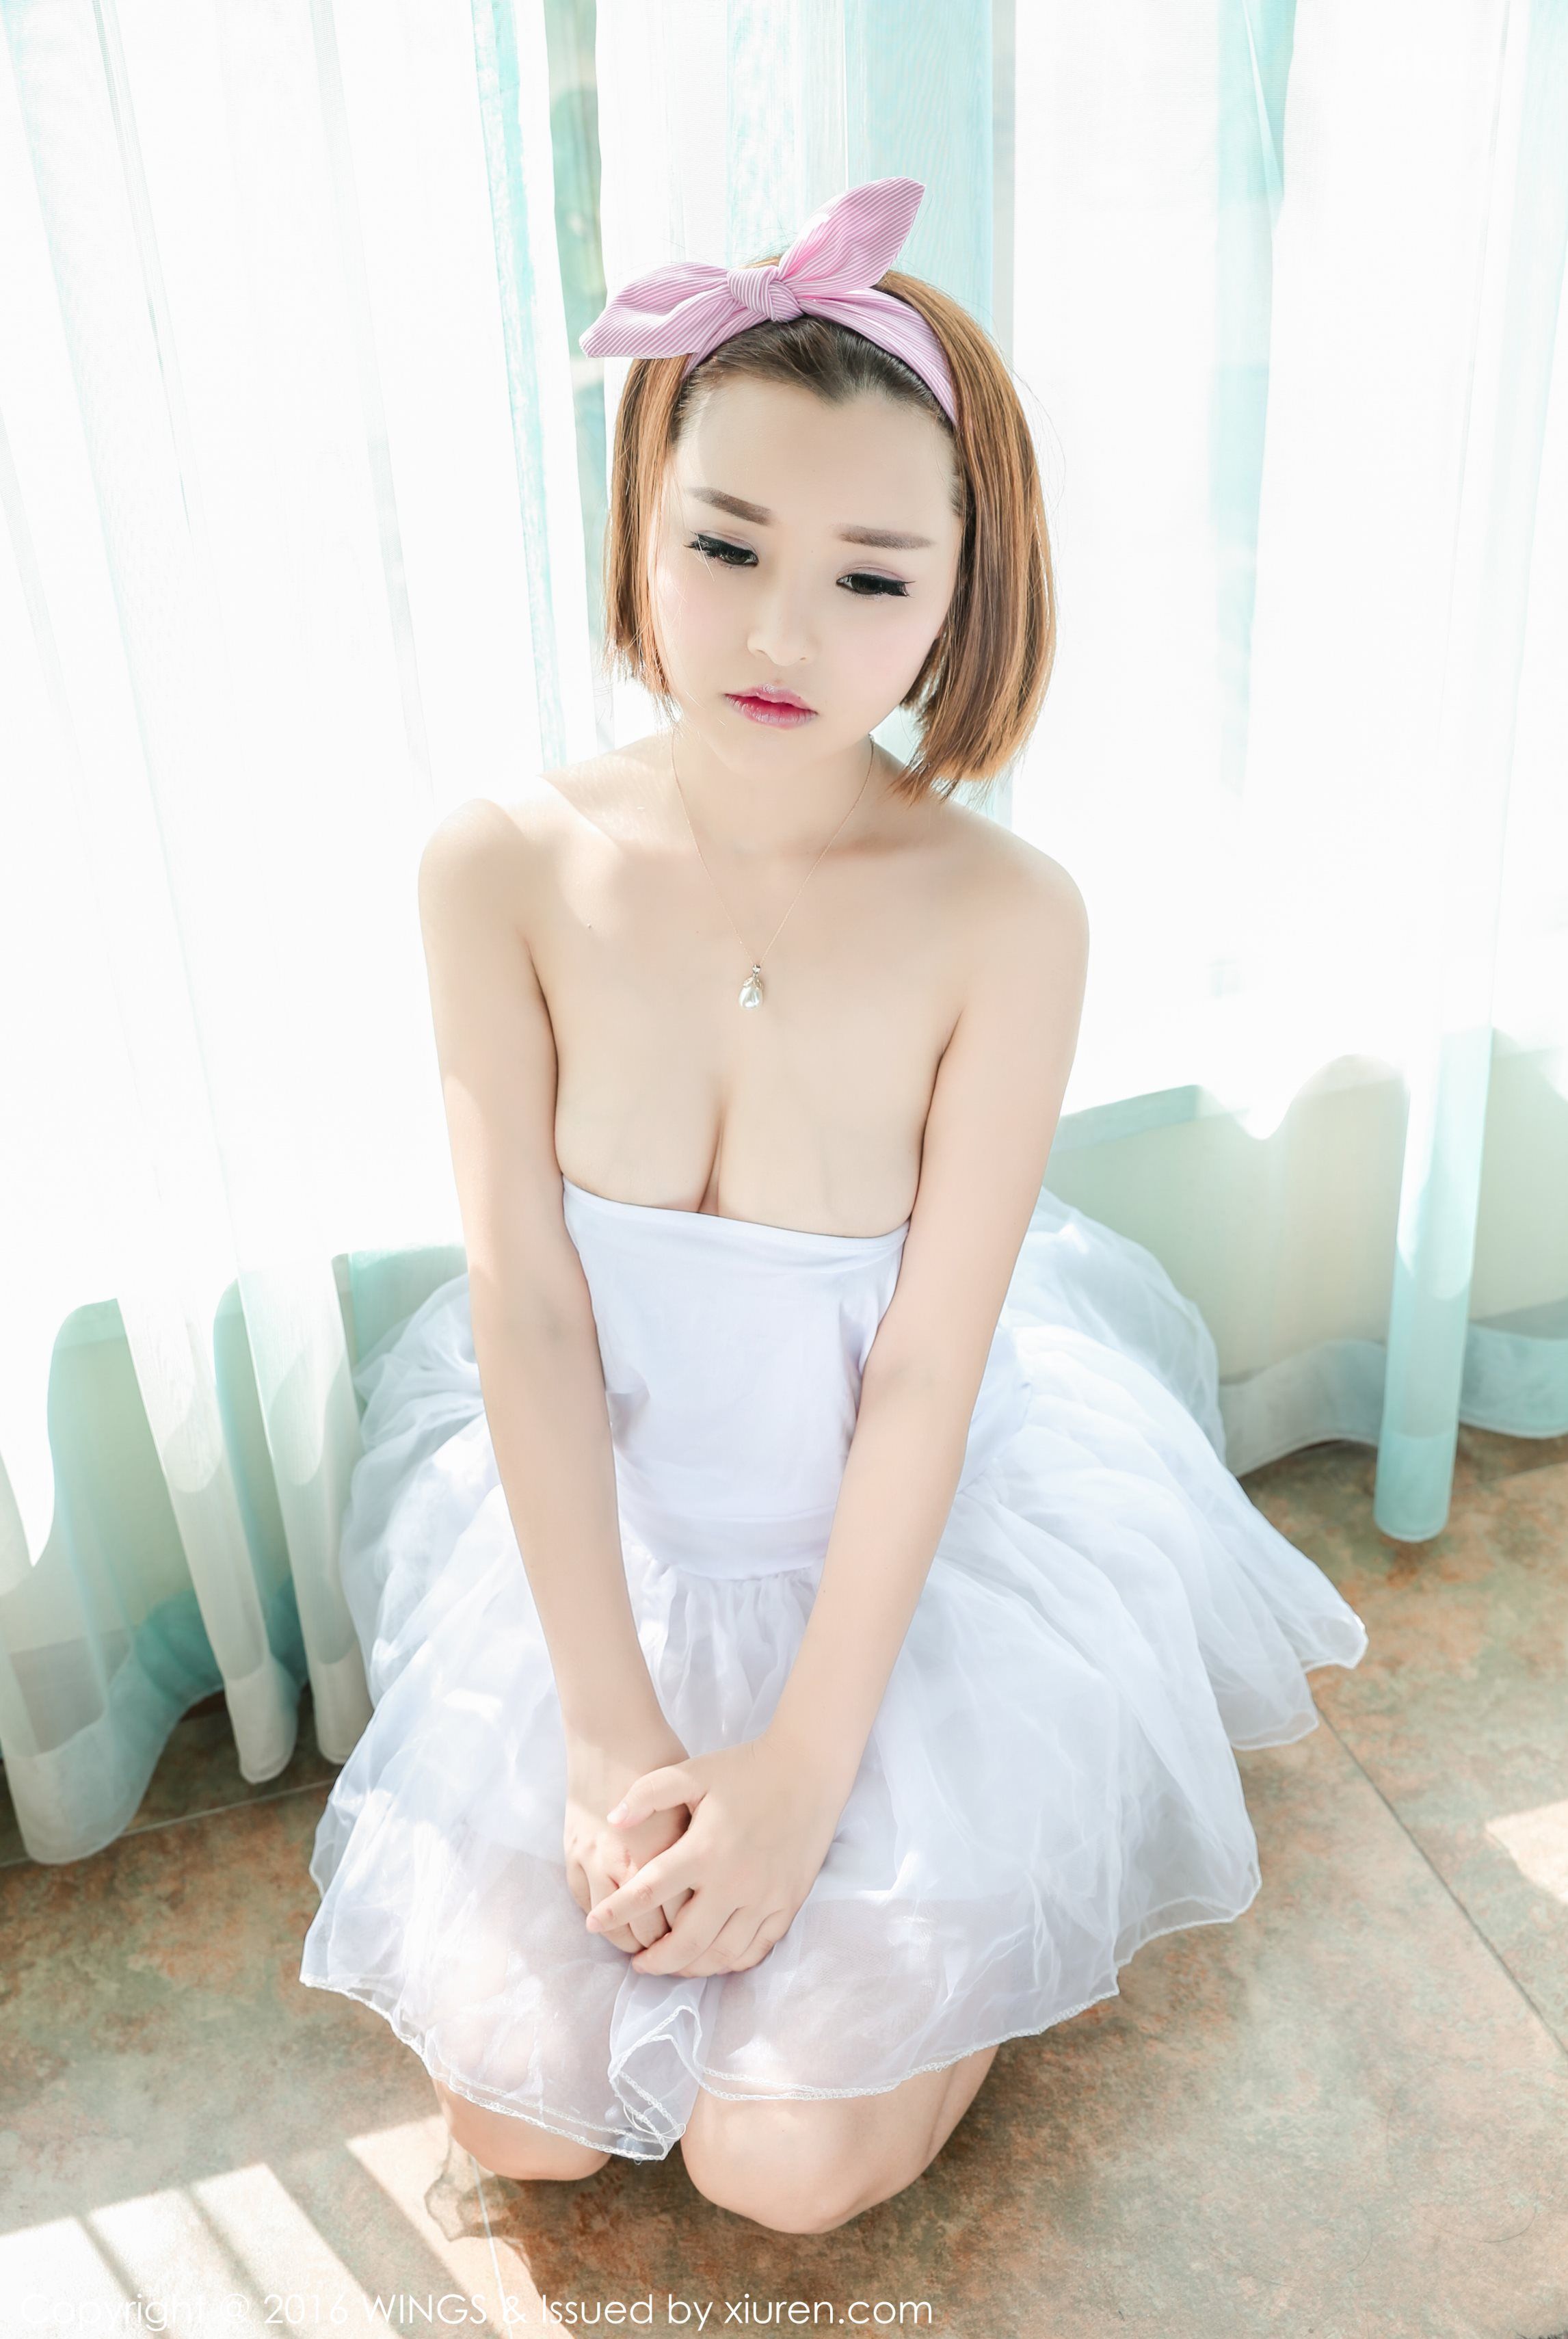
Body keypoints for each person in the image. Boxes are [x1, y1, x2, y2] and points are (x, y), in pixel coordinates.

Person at [299, 179, 1368, 2232]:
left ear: (963, 600)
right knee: (524, 2121)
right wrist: (607, 1737)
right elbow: (529, 1308)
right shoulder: (498, 867)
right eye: (725, 547)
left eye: (872, 578)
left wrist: (799, 1775)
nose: (784, 635)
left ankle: (945, 1916)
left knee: (780, 2166)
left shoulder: (1009, 919)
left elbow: (929, 1370)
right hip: (600, 1551)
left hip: (896, 1556)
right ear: (642, 529)